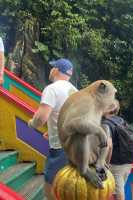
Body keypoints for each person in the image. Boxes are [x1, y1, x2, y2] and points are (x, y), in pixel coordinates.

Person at [28, 58, 78, 200]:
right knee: (68, 185)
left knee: (51, 185)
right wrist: (52, 131)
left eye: (52, 67)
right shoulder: (75, 91)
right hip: (77, 146)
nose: (50, 70)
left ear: (56, 70)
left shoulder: (52, 89)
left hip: (61, 147)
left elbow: (42, 117)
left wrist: (32, 123)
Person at [102, 103, 132, 200]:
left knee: (118, 193)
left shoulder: (106, 124)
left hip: (116, 164)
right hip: (127, 163)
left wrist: (106, 163)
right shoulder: (121, 121)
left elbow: (109, 145)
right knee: (117, 191)